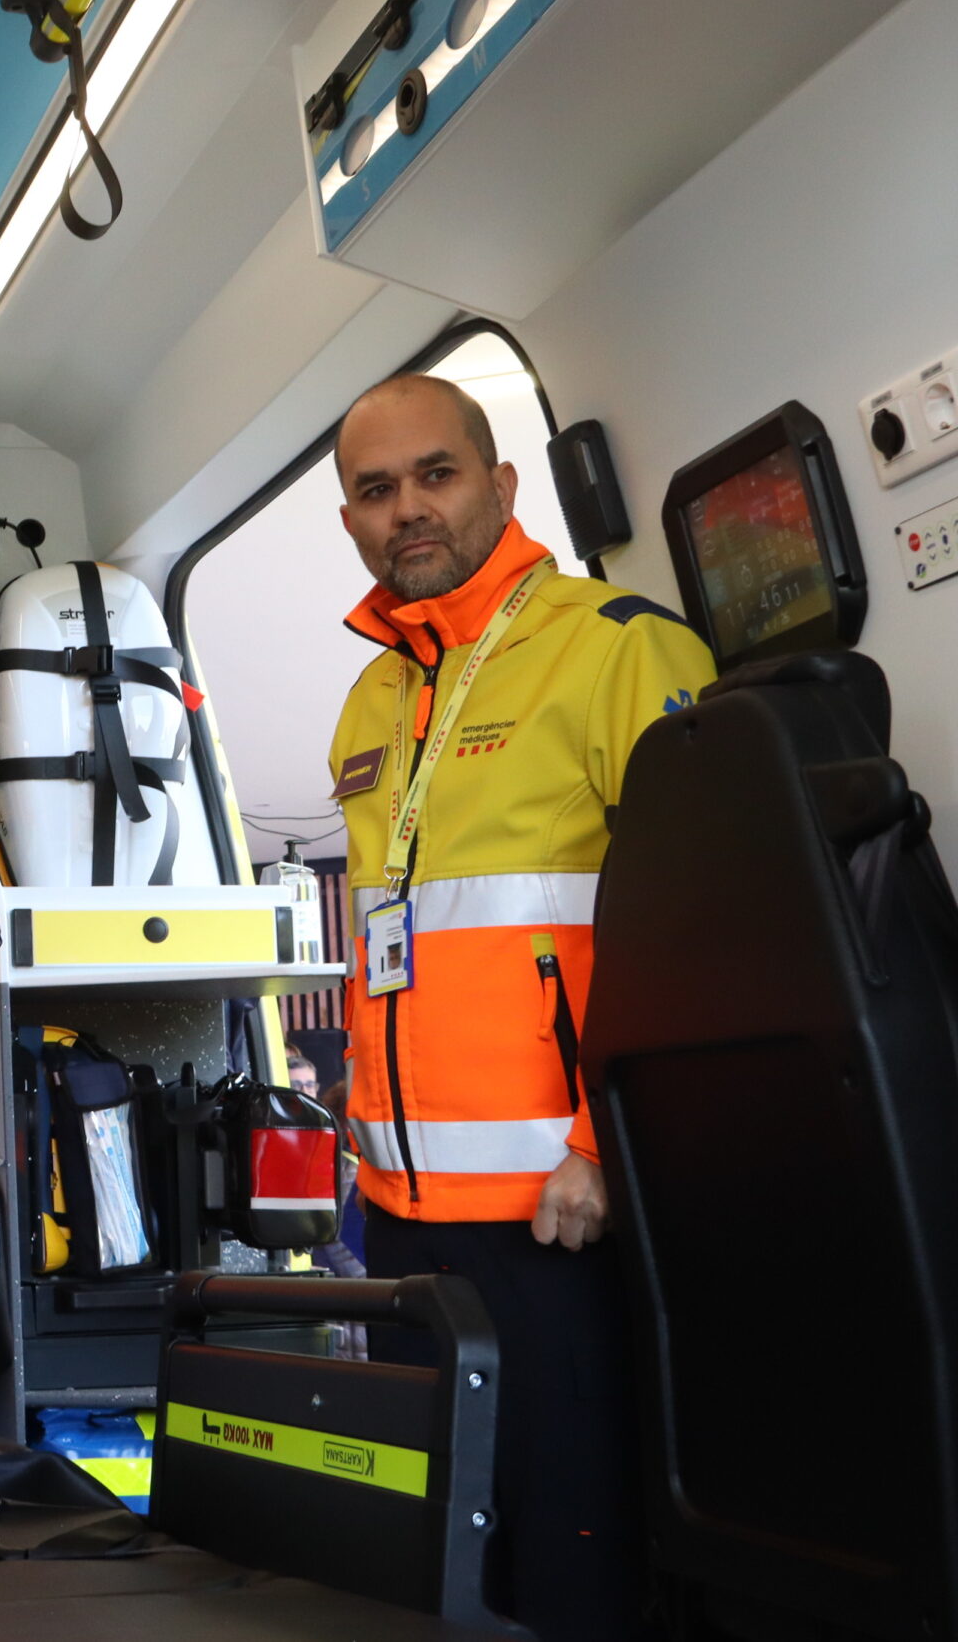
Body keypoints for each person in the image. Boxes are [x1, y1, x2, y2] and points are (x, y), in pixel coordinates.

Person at [326, 373, 715, 1639]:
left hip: (559, 1211)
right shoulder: (372, 700)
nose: (407, 509)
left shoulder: (618, 648)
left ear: (499, 485)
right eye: (376, 490)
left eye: (435, 475)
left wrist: (604, 1147)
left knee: (572, 1557)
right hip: (402, 1218)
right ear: (350, 520)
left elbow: (696, 922)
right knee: (444, 1560)